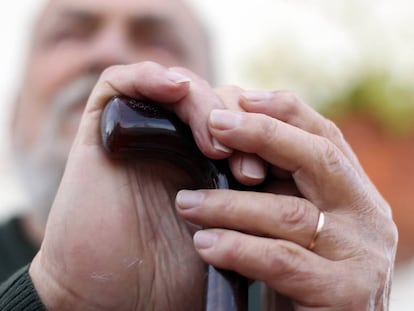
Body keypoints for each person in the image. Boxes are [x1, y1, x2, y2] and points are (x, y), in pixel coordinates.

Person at [0, 0, 397, 310]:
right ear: (14, 114)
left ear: (215, 96)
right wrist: (54, 297)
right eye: (70, 34)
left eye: (157, 38)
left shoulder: (293, 292)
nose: (111, 51)